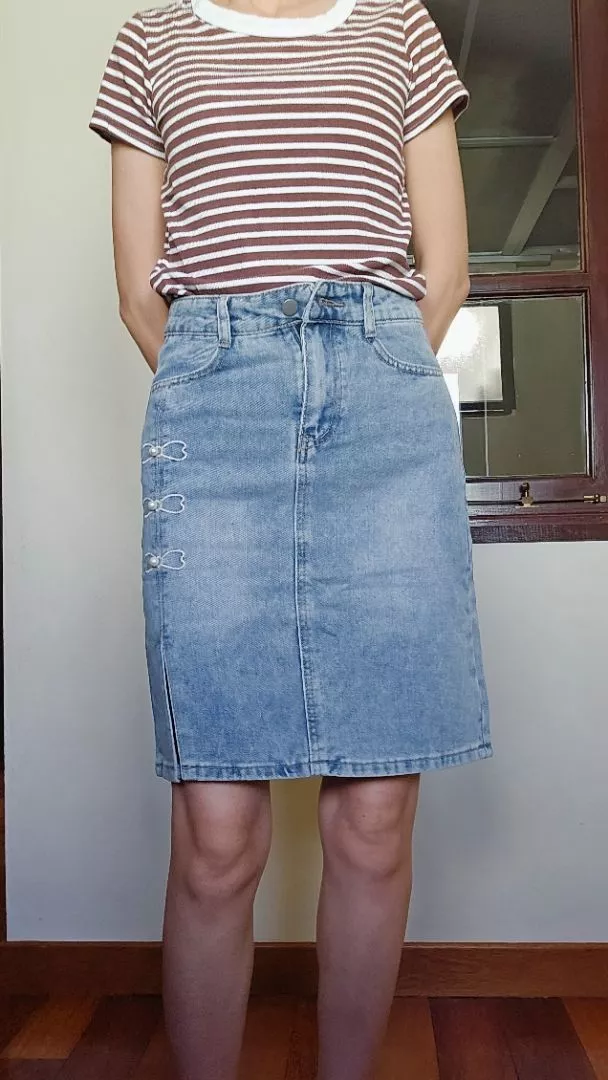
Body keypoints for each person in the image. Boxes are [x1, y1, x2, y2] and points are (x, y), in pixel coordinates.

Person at [90, 0, 493, 1075]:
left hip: (382, 404)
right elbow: (137, 291)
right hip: (215, 408)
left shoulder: (399, 26)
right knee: (216, 833)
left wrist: (365, 377)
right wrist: (232, 384)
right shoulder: (152, 37)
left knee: (374, 815)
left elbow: (446, 268)